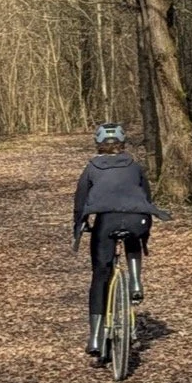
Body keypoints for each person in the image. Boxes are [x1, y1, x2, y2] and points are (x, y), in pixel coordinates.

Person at [72, 123, 156, 358]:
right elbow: (146, 198)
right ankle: (136, 282)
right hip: (136, 219)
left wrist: (80, 225)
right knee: (132, 233)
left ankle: (96, 338)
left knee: (100, 276)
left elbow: (80, 202)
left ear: (98, 144)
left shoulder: (91, 168)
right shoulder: (135, 166)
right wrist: (146, 225)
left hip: (105, 222)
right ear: (123, 143)